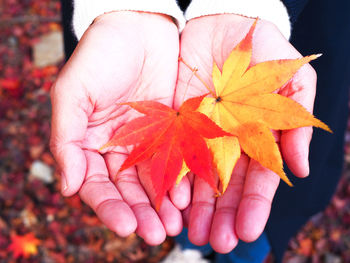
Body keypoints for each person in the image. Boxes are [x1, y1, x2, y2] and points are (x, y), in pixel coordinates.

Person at [52, 0, 349, 262]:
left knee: (258, 207)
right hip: (138, 40)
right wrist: (120, 8)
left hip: (308, 19)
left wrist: (250, 7)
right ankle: (191, 246)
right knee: (180, 198)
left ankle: (244, 255)